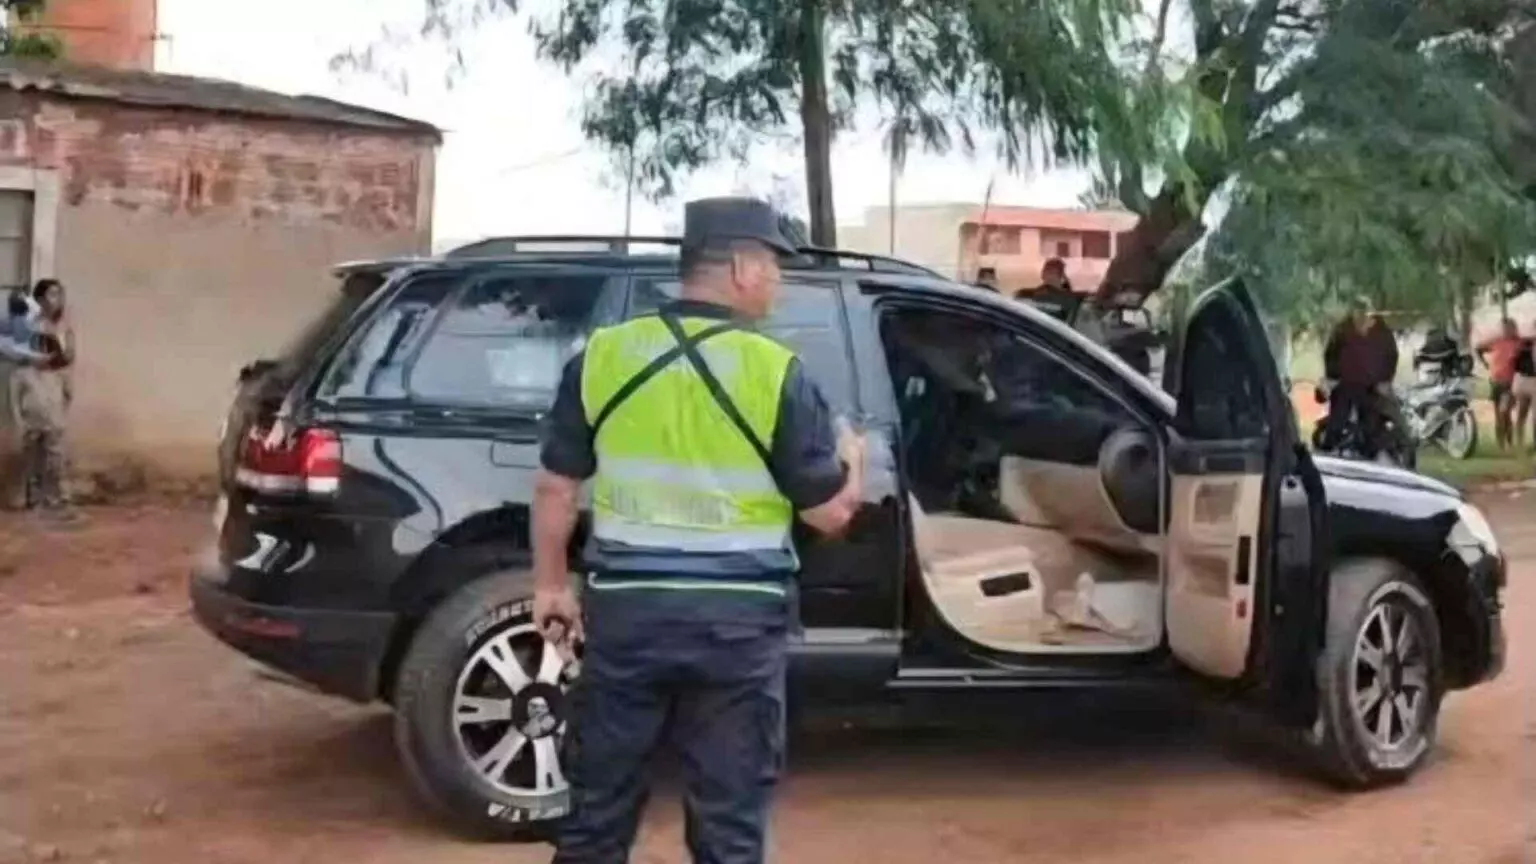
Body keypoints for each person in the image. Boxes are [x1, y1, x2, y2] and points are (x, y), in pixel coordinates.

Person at [533, 196, 866, 864]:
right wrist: (853, 461)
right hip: (736, 629)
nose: (777, 279)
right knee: (729, 825)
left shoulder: (603, 356)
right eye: (772, 263)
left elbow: (554, 488)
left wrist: (550, 586)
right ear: (741, 266)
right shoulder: (775, 372)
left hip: (627, 617)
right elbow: (827, 514)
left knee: (596, 817)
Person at [13, 279, 75, 514]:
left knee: (55, 449)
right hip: (35, 385)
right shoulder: (31, 326)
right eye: (51, 295)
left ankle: (57, 495)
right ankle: (35, 496)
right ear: (39, 299)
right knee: (34, 449)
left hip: (55, 384)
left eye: (59, 295)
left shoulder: (63, 328)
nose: (56, 300)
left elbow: (69, 356)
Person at [1477, 318, 1524, 451]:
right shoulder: (1496, 341)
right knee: (1498, 415)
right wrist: (1485, 363)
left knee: (1505, 412)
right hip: (1495, 381)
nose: (1505, 331)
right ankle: (1501, 444)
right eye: (1503, 328)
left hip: (1509, 383)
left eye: (1508, 328)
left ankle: (1509, 442)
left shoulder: (1518, 343)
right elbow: (1478, 348)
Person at [1511, 320, 1536, 451]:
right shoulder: (1525, 343)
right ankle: (1519, 442)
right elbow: (1514, 356)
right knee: (1521, 412)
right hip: (1523, 379)